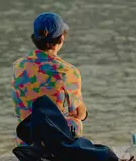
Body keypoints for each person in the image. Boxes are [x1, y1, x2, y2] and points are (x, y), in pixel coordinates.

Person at [11, 12, 88, 144]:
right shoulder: (67, 71)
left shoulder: (18, 66)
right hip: (57, 149)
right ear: (61, 39)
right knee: (76, 120)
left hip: (26, 145)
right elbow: (77, 113)